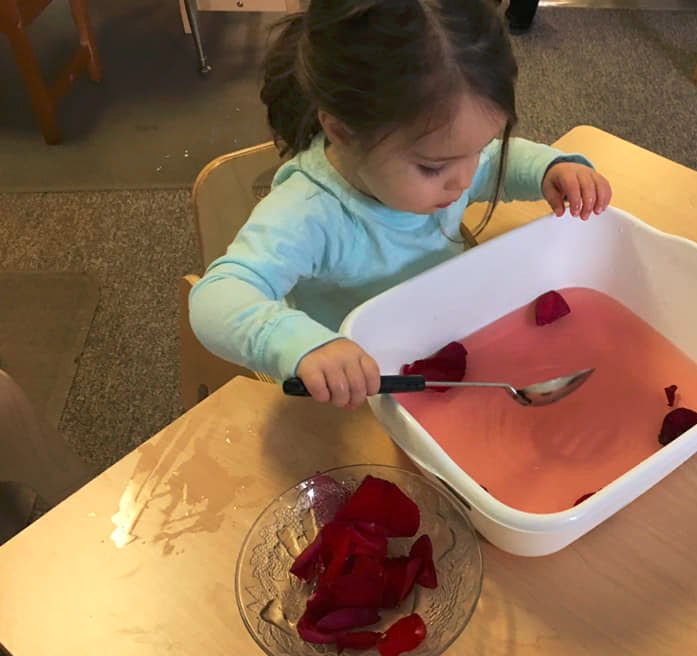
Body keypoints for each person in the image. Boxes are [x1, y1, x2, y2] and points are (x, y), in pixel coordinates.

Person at [189, 0, 612, 410]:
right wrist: (301, 345)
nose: (466, 179)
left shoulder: (442, 157)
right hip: (360, 384)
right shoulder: (309, 212)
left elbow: (499, 160)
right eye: (433, 167)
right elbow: (217, 298)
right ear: (341, 131)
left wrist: (550, 169)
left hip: (444, 335)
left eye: (479, 148)